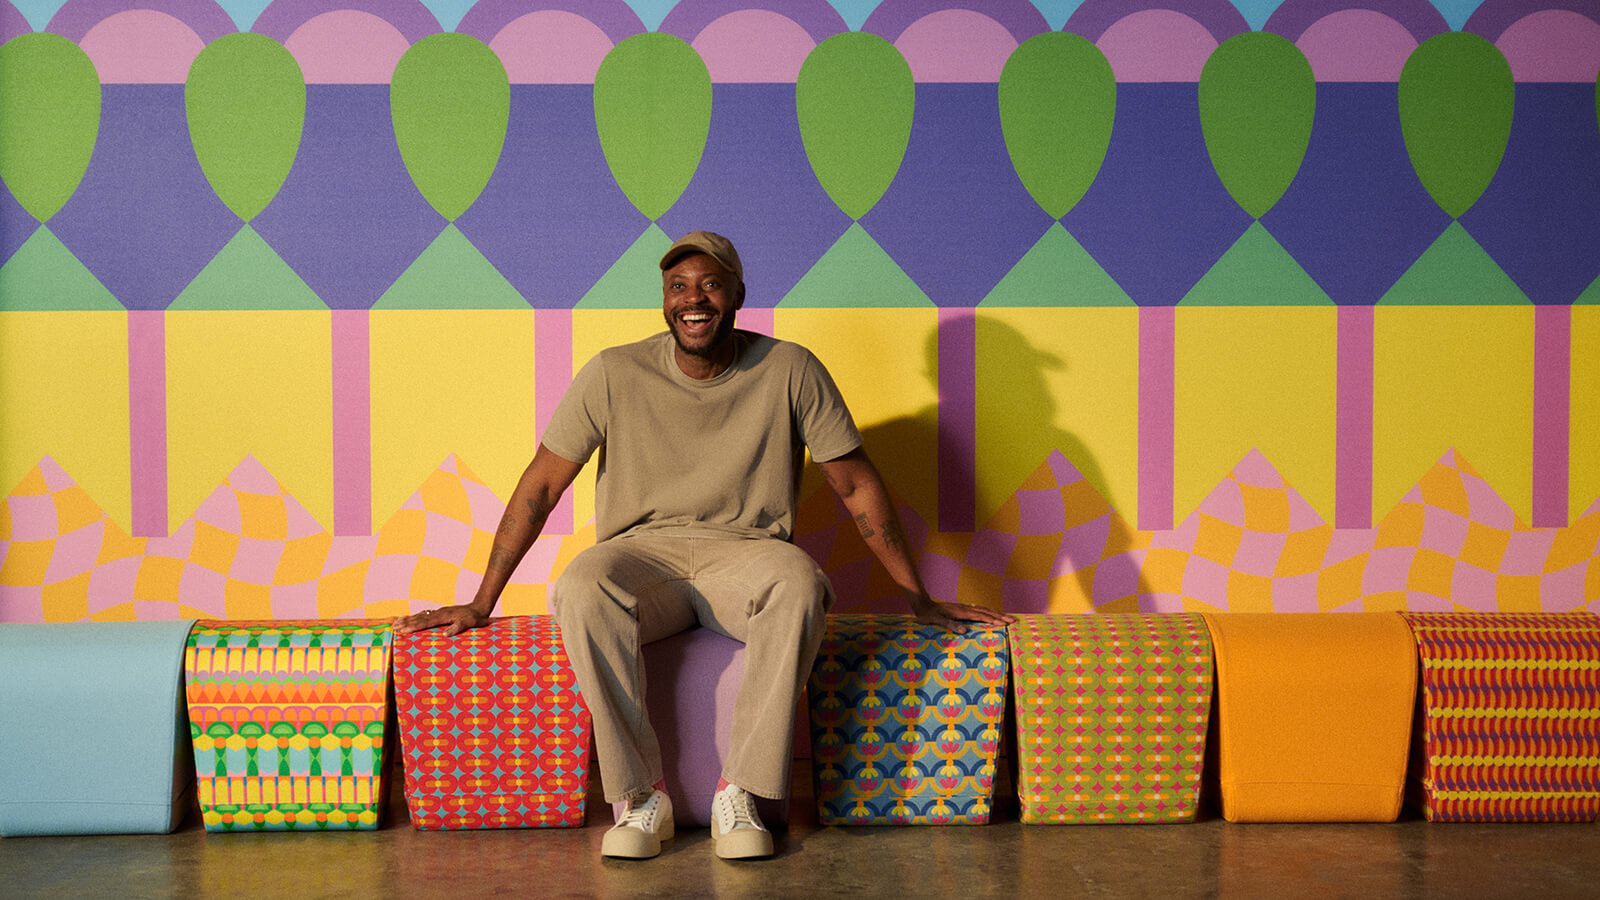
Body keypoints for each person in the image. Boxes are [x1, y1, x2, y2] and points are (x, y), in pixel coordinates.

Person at [394, 230, 1013, 860]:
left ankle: (739, 791)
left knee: (799, 581)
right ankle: (641, 798)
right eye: (679, 287)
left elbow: (855, 485)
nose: (695, 299)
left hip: (745, 553)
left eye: (711, 284)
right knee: (583, 581)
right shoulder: (613, 371)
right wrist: (480, 602)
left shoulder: (790, 367)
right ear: (664, 300)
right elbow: (541, 486)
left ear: (739, 294)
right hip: (644, 556)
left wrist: (921, 601)